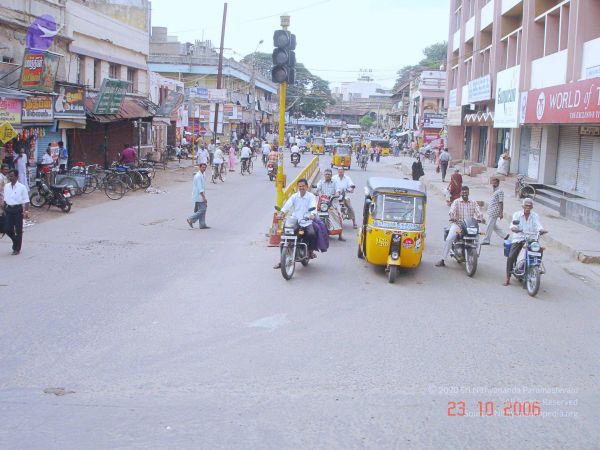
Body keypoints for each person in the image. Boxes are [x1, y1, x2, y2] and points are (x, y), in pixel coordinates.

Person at [273, 178, 317, 268]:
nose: (301, 188)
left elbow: (313, 206)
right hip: (295, 221)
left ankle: (310, 252)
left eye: (303, 186)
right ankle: (282, 261)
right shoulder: (294, 196)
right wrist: (281, 213)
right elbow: (287, 205)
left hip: (306, 221)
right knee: (284, 238)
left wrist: (312, 214)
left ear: (307, 186)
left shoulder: (311, 196)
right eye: (299, 186)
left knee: (312, 234)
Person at [435, 186, 483, 267]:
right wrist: (452, 217)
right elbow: (452, 211)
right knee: (449, 239)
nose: (465, 194)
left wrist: (480, 218)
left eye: (466, 192)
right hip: (458, 225)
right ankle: (443, 259)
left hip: (469, 225)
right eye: (463, 192)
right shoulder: (456, 202)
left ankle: (473, 254)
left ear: (468, 193)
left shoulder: (473, 202)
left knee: (477, 237)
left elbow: (479, 212)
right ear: (461, 193)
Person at [504, 198, 545, 286]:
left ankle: (535, 268)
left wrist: (541, 230)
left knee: (539, 251)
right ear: (522, 206)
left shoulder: (535, 216)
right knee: (511, 256)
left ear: (532, 207)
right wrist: (514, 228)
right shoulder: (517, 214)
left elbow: (538, 225)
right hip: (519, 238)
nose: (528, 207)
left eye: (529, 206)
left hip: (531, 239)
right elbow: (513, 224)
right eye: (526, 205)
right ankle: (507, 277)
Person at [3, 169, 30, 255]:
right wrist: (3, 208)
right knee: (7, 229)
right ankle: (15, 241)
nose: (10, 177)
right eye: (9, 176)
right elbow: (5, 199)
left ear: (17, 177)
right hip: (8, 209)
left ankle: (16, 248)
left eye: (12, 176)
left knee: (18, 230)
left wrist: (26, 211)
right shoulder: (6, 186)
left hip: (18, 209)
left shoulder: (22, 187)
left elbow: (26, 200)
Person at [316, 168, 344, 241]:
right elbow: (317, 189)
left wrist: (336, 194)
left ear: (331, 175)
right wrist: (317, 193)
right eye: (326, 174)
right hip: (322, 203)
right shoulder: (321, 182)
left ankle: (340, 235)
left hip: (333, 203)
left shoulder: (335, 182)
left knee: (339, 216)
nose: (327, 175)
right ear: (324, 175)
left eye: (329, 174)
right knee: (314, 215)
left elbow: (338, 190)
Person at [481, 177, 509, 246]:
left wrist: (501, 212)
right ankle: (505, 235)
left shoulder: (500, 191)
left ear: (498, 183)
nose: (493, 184)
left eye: (495, 182)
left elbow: (501, 202)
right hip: (491, 211)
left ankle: (486, 240)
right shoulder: (495, 190)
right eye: (493, 182)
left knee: (489, 226)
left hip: (495, 211)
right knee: (493, 225)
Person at [186, 163, 210, 229]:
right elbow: (200, 188)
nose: (204, 169)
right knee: (203, 209)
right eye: (202, 167)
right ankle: (190, 219)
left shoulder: (203, 174)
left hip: (200, 194)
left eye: (205, 167)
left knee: (202, 209)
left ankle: (202, 224)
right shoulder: (198, 176)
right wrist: (204, 198)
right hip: (199, 195)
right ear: (199, 167)